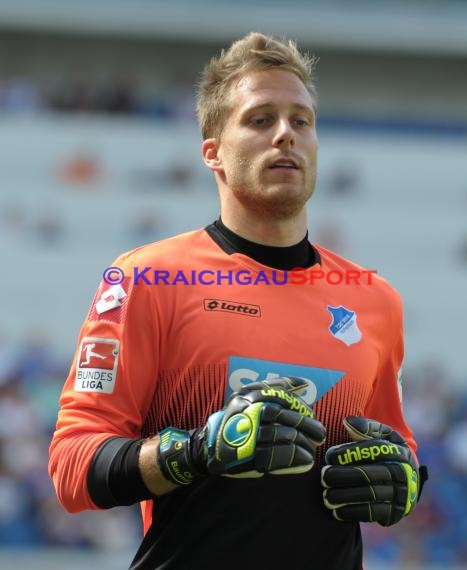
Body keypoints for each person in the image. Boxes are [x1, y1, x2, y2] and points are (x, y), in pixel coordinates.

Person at [49, 32, 427, 569]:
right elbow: (72, 467)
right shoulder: (146, 278)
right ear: (214, 154)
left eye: (302, 120)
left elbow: (398, 449)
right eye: (259, 119)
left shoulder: (376, 300)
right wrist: (197, 451)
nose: (285, 136)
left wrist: (402, 479)